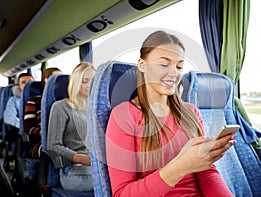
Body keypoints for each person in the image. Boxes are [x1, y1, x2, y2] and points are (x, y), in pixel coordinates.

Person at [106, 31, 236, 197]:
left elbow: (207, 172)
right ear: (142, 65)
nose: (174, 73)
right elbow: (122, 193)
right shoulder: (124, 115)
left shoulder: (191, 112)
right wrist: (182, 165)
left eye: (179, 66)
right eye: (164, 64)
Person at [47, 62, 95, 192]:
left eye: (92, 81)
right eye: (84, 81)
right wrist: (81, 158)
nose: (89, 85)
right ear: (76, 82)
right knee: (105, 181)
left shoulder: (96, 108)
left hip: (95, 165)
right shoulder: (61, 107)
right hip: (71, 168)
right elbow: (53, 145)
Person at [23, 67, 61, 181]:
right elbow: (28, 129)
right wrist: (44, 133)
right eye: (55, 78)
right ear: (46, 80)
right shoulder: (34, 101)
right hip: (40, 143)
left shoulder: (68, 102)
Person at [3, 73, 33, 159]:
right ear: (19, 86)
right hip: (23, 132)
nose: (27, 84)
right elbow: (9, 117)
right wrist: (25, 126)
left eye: (30, 82)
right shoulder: (14, 100)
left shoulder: (42, 99)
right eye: (23, 82)